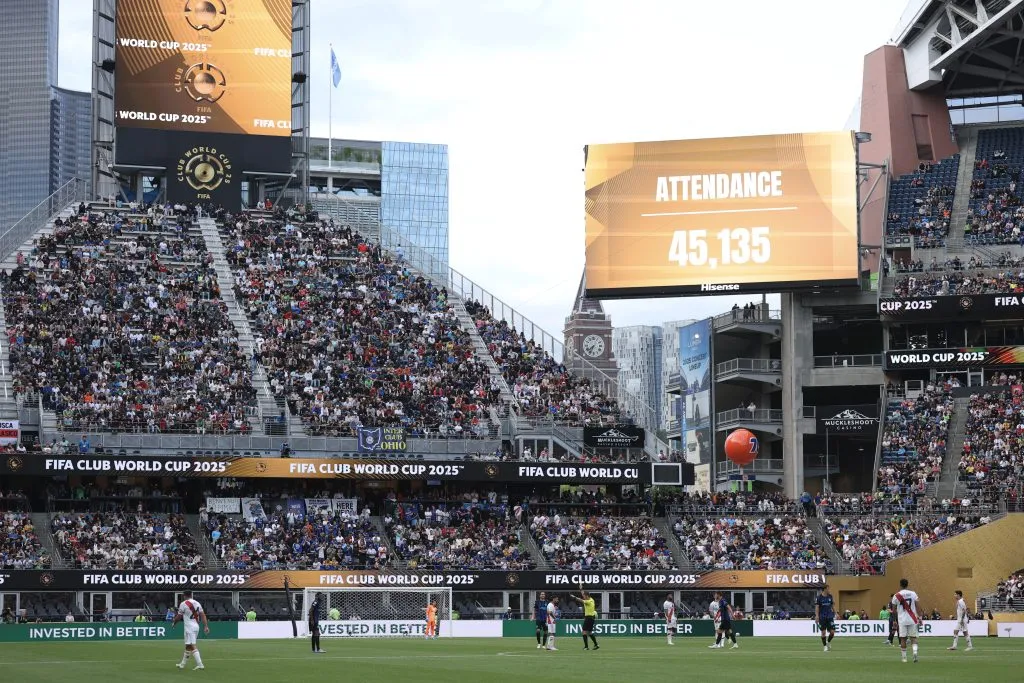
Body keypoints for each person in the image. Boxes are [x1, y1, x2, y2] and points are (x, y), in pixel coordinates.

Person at [172, 590, 209, 670]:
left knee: (192, 646)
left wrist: (174, 623)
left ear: (184, 596)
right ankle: (182, 664)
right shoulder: (197, 603)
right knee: (188, 646)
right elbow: (203, 615)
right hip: (196, 626)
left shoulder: (183, 604)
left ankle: (200, 664)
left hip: (189, 627)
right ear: (191, 595)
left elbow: (179, 616)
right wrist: (206, 626)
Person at [892, 578, 921, 663]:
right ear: (907, 585)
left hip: (902, 620)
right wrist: (920, 617)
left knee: (903, 639)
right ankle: (915, 653)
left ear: (900, 585)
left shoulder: (896, 595)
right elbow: (917, 605)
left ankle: (904, 658)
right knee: (913, 638)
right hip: (912, 618)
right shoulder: (913, 594)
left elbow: (893, 610)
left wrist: (894, 620)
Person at [815, 584, 836, 652]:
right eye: (828, 588)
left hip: (830, 616)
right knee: (823, 633)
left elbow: (832, 606)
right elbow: (817, 607)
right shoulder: (819, 597)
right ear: (824, 589)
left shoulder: (830, 596)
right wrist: (817, 616)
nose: (829, 590)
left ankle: (828, 642)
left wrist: (836, 613)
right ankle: (824, 646)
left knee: (832, 632)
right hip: (822, 617)